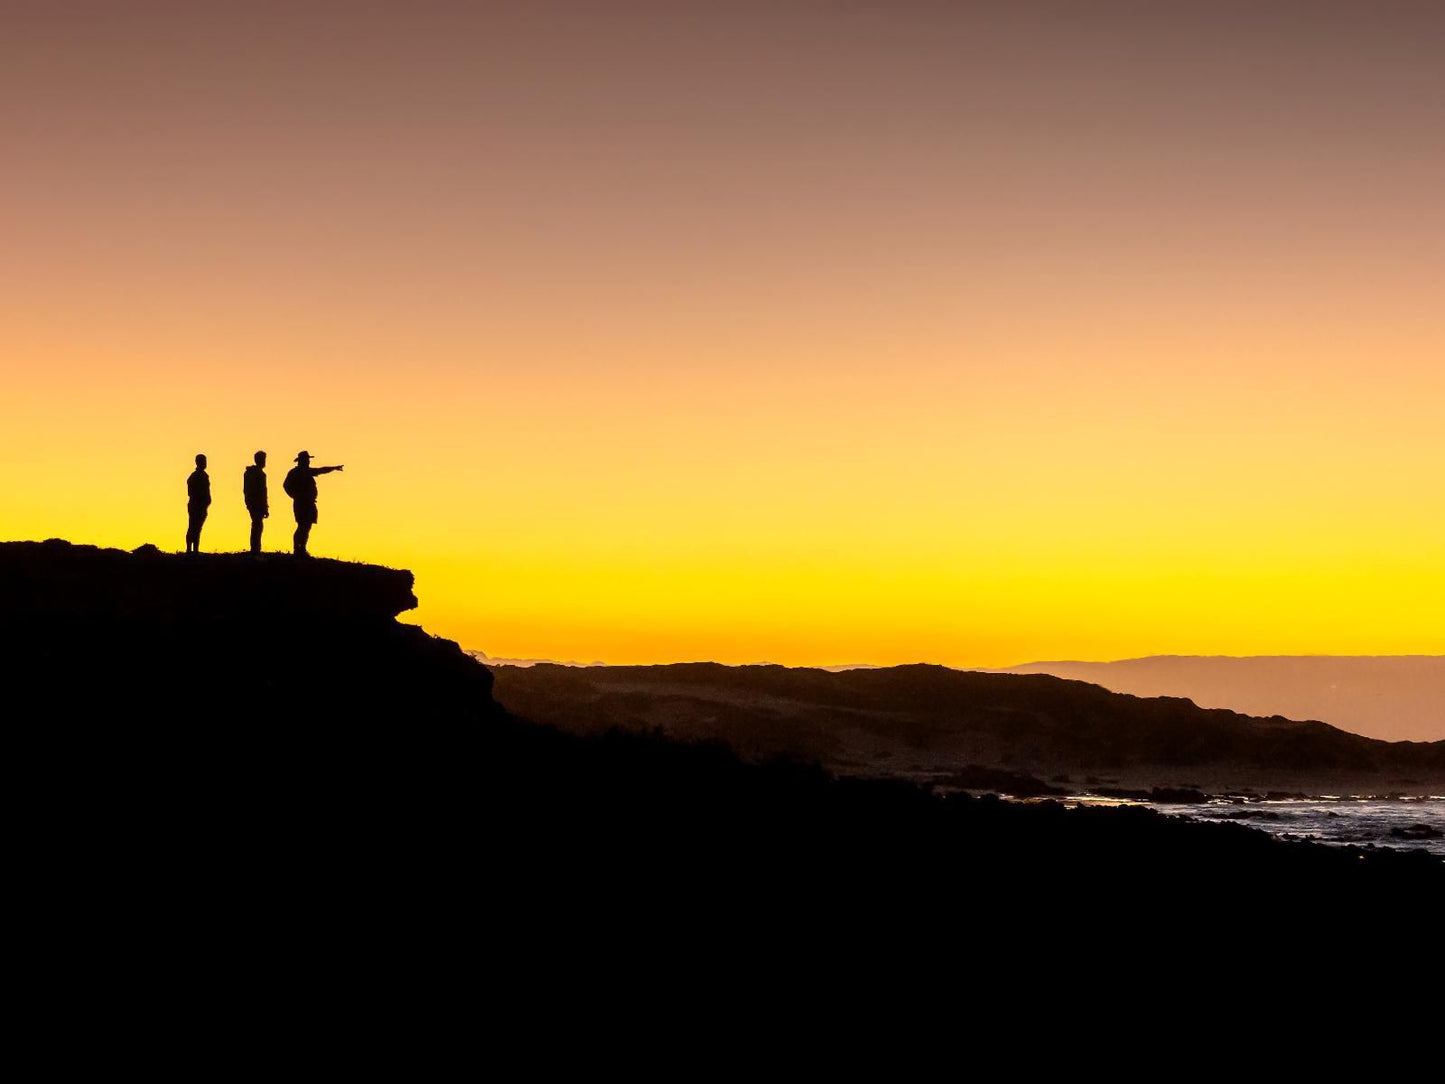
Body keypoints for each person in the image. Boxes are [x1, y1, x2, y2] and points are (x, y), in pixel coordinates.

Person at [282, 450, 344, 557]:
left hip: (309, 503)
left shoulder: (306, 471)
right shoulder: (295, 472)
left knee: (306, 526)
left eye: (308, 460)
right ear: (301, 461)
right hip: (302, 503)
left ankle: (302, 548)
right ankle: (298, 549)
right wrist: (296, 496)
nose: (308, 462)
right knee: (302, 526)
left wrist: (334, 468)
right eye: (306, 460)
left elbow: (321, 470)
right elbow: (286, 485)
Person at [243, 451, 269, 554]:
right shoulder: (259, 474)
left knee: (257, 525)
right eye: (263, 459)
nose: (264, 462)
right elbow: (261, 491)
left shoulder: (250, 473)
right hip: (256, 503)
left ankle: (255, 548)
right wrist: (264, 506)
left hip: (252, 503)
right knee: (257, 525)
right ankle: (255, 549)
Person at [185, 453, 211, 553]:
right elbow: (191, 492)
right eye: (203, 461)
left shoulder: (204, 476)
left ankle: (195, 549)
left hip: (201, 506)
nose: (205, 463)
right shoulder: (195, 476)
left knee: (197, 528)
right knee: (193, 526)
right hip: (196, 505)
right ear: (197, 462)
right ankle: (189, 549)